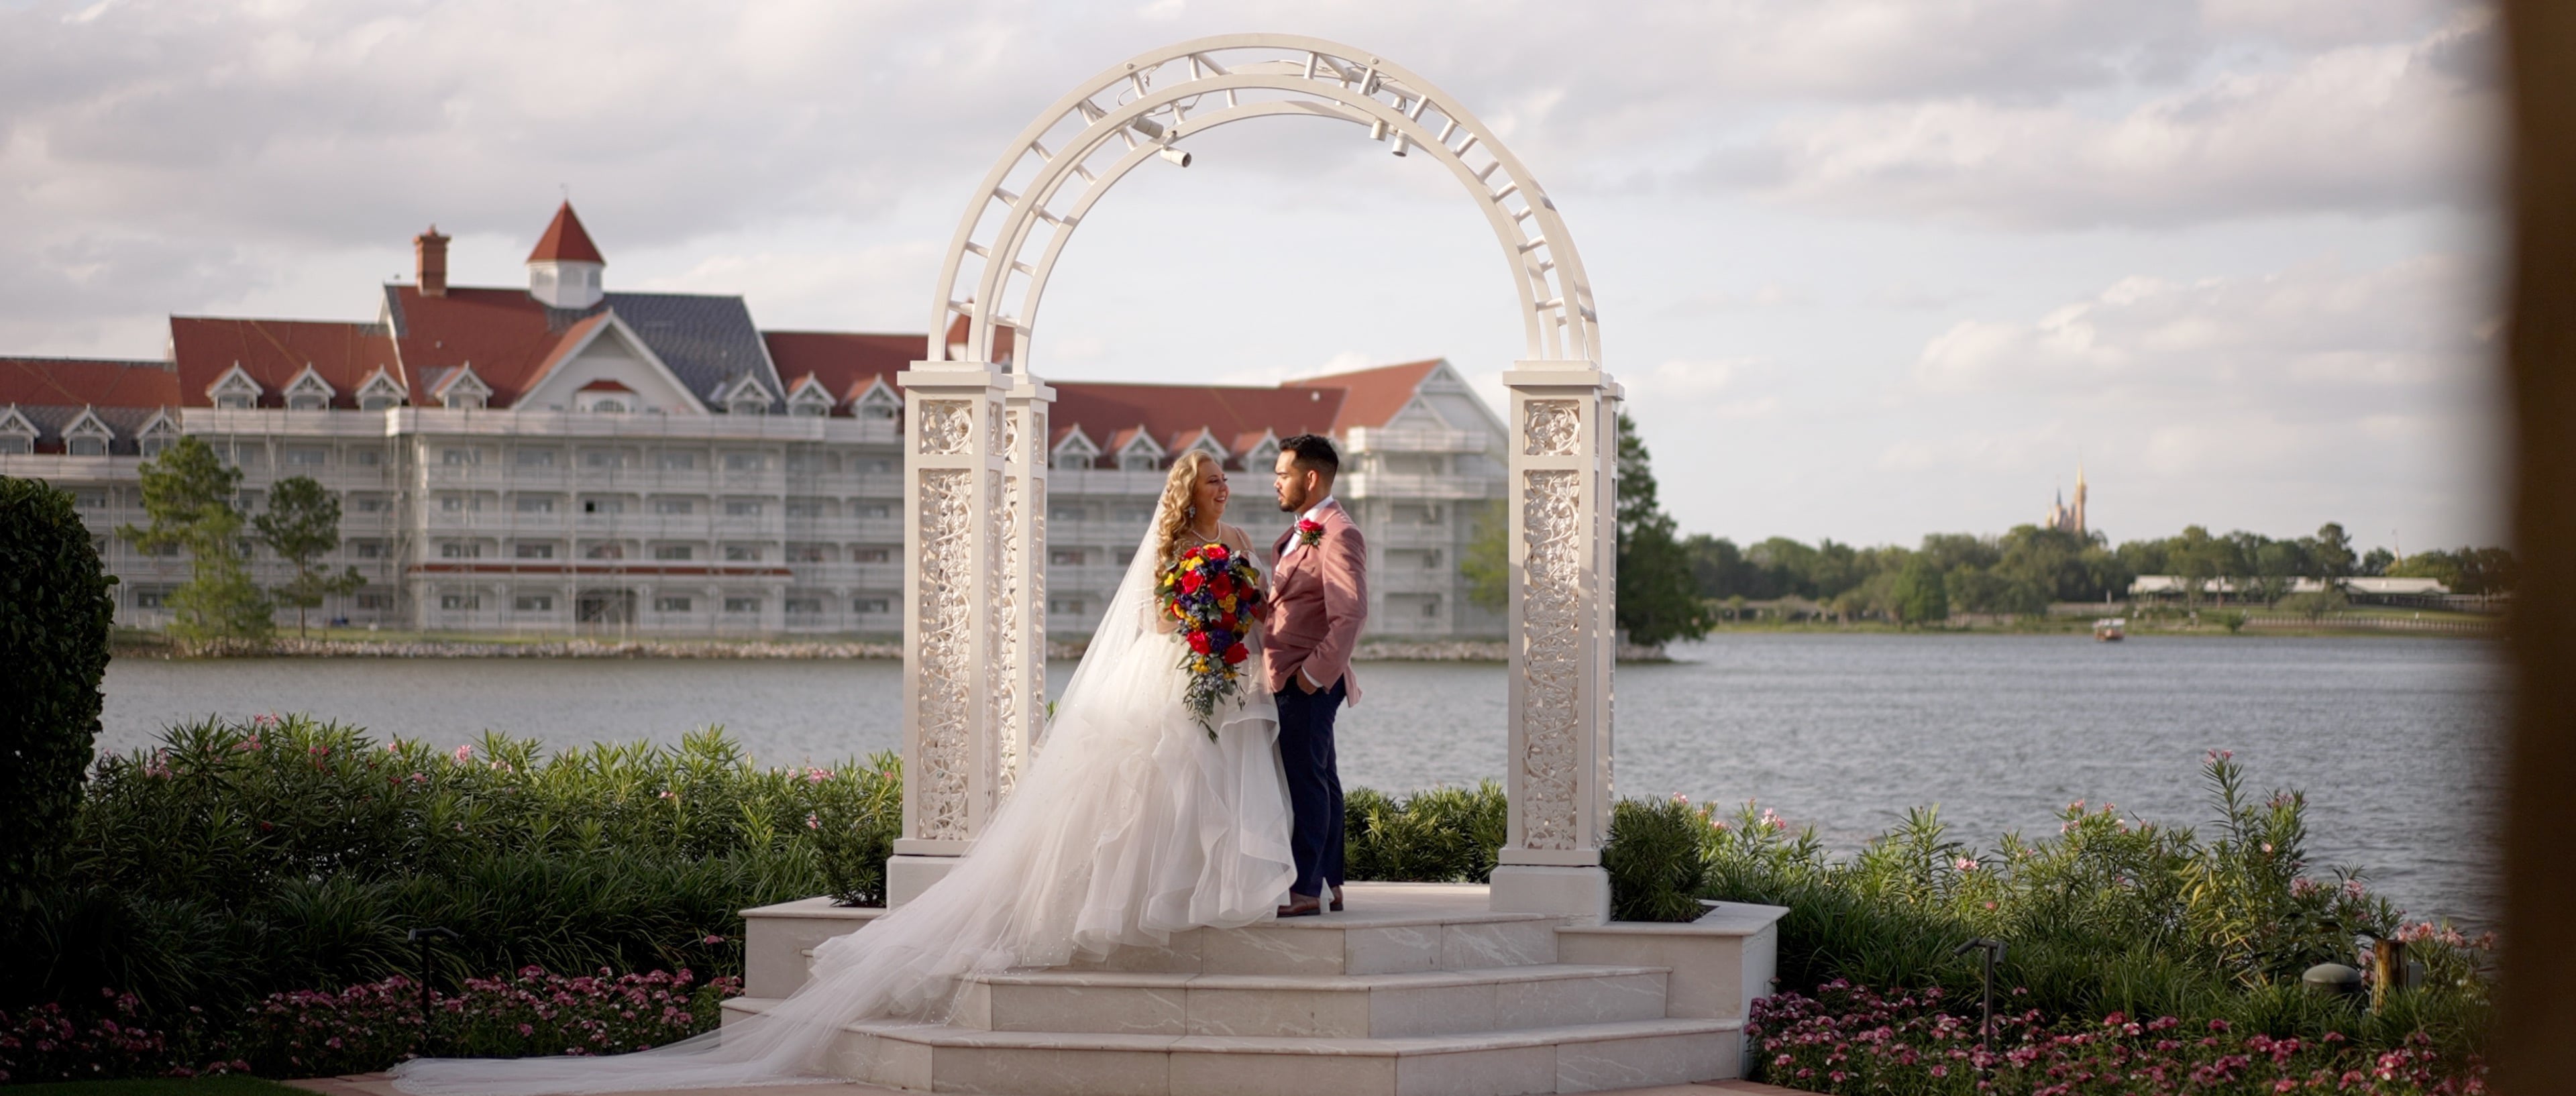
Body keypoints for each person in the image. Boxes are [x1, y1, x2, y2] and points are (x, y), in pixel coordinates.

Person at [390, 451, 1294, 1095]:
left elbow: (1248, 614)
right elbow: (1153, 621)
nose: (1224, 485)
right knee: (1143, 790)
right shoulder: (1177, 551)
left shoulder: (1240, 540)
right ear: (1188, 489)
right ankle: (1137, 897)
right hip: (1171, 672)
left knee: (1198, 792)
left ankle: (1187, 890)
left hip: (1217, 678)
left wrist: (1240, 626)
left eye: (1224, 477)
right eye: (1213, 476)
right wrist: (1203, 624)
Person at [1262, 433, 1368, 919]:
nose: (1275, 482)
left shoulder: (1339, 532)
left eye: (1283, 474)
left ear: (1311, 477)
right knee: (1322, 778)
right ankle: (1331, 881)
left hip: (1306, 680)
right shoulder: (1303, 530)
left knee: (1308, 783)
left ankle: (1306, 890)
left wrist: (1311, 676)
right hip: (1289, 674)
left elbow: (1350, 614)